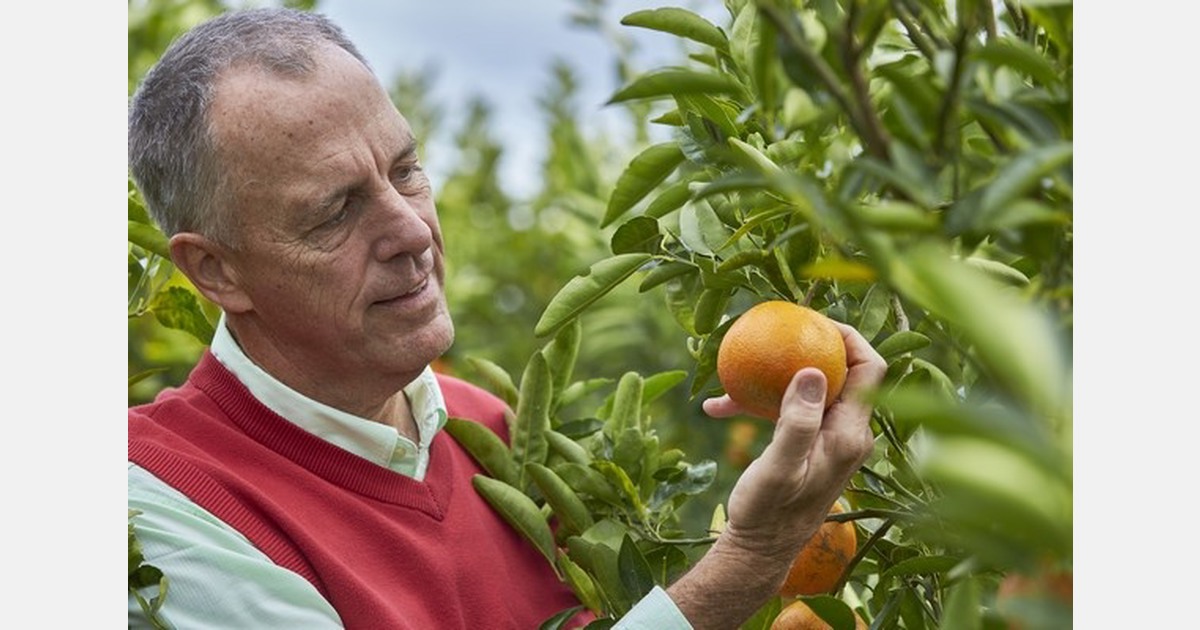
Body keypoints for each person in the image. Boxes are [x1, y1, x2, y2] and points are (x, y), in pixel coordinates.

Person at [126, 7, 886, 630]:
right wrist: (748, 560)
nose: (414, 231)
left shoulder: (492, 438)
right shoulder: (161, 507)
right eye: (336, 210)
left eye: (405, 171)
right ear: (215, 270)